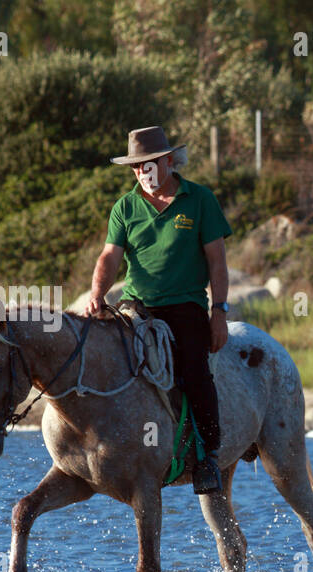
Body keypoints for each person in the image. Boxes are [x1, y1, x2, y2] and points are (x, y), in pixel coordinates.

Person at [87, 126, 233, 493]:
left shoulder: (199, 200)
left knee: (195, 372)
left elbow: (217, 261)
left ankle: (209, 457)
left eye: (150, 164)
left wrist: (219, 311)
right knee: (108, 361)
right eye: (136, 167)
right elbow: (109, 256)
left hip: (186, 306)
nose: (143, 173)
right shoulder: (125, 206)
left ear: (169, 161)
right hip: (137, 305)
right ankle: (108, 445)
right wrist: (96, 293)